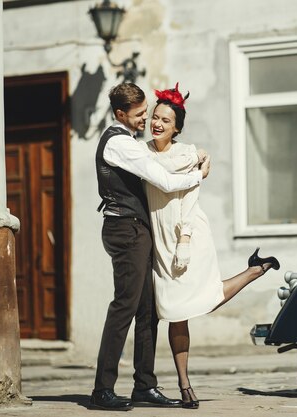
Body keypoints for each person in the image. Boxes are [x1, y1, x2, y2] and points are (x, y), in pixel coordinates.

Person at [144, 84, 280, 409]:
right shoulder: (141, 152)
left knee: (195, 305)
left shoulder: (188, 154)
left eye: (166, 119)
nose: (158, 123)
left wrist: (185, 240)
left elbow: (190, 199)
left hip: (186, 234)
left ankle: (184, 384)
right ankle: (179, 384)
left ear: (177, 126)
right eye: (155, 117)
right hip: (158, 239)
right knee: (174, 310)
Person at [91, 83, 210, 411]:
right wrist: (199, 174)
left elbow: (165, 161)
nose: (146, 119)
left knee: (147, 312)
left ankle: (144, 385)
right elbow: (166, 180)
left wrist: (197, 154)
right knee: (124, 309)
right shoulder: (119, 144)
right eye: (141, 114)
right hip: (125, 230)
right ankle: (103, 390)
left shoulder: (129, 142)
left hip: (135, 229)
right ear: (120, 115)